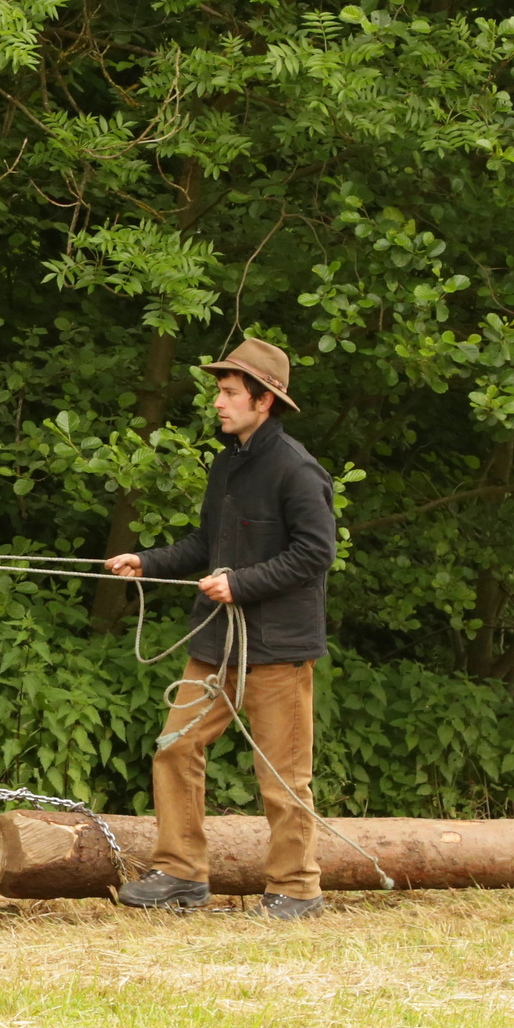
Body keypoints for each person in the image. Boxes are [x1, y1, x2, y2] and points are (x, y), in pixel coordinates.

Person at [104, 337, 336, 920]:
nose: (218, 402)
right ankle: (181, 874)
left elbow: (315, 553)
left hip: (278, 651)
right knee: (174, 748)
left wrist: (241, 584)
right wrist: (148, 562)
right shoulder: (227, 463)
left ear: (264, 401)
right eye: (219, 391)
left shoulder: (297, 469)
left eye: (230, 392)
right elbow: (208, 546)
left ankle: (297, 889)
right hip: (215, 646)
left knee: (283, 780)